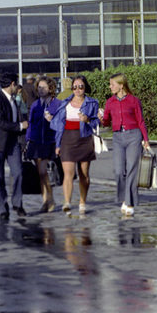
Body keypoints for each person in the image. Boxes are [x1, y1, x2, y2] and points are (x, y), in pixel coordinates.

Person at [48, 74, 101, 215]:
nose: (77, 90)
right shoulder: (64, 103)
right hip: (67, 139)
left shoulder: (92, 103)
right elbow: (57, 123)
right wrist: (57, 144)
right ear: (71, 88)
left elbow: (97, 122)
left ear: (85, 88)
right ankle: (67, 202)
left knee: (84, 174)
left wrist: (88, 119)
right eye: (75, 87)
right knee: (68, 174)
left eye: (81, 87)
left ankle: (82, 202)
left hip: (84, 138)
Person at [99, 73, 150, 217]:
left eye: (112, 84)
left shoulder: (134, 101)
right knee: (119, 170)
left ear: (121, 85)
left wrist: (145, 140)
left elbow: (140, 121)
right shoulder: (110, 102)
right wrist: (102, 118)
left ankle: (129, 202)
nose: (110, 87)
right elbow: (106, 123)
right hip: (118, 137)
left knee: (132, 169)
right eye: (110, 84)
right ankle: (124, 198)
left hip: (134, 136)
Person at [0, 72, 28, 220]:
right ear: (12, 84)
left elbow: (20, 118)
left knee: (18, 173)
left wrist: (23, 139)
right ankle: (2, 208)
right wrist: (20, 126)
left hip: (13, 144)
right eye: (16, 83)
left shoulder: (14, 99)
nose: (17, 86)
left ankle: (17, 203)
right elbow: (0, 122)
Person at [26, 76, 62, 212]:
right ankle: (46, 200)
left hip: (49, 141)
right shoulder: (35, 104)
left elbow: (61, 124)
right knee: (40, 173)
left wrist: (52, 120)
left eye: (44, 87)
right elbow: (31, 124)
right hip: (36, 142)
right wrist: (28, 141)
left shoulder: (57, 104)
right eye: (39, 87)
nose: (41, 90)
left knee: (43, 170)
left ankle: (50, 199)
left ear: (51, 88)